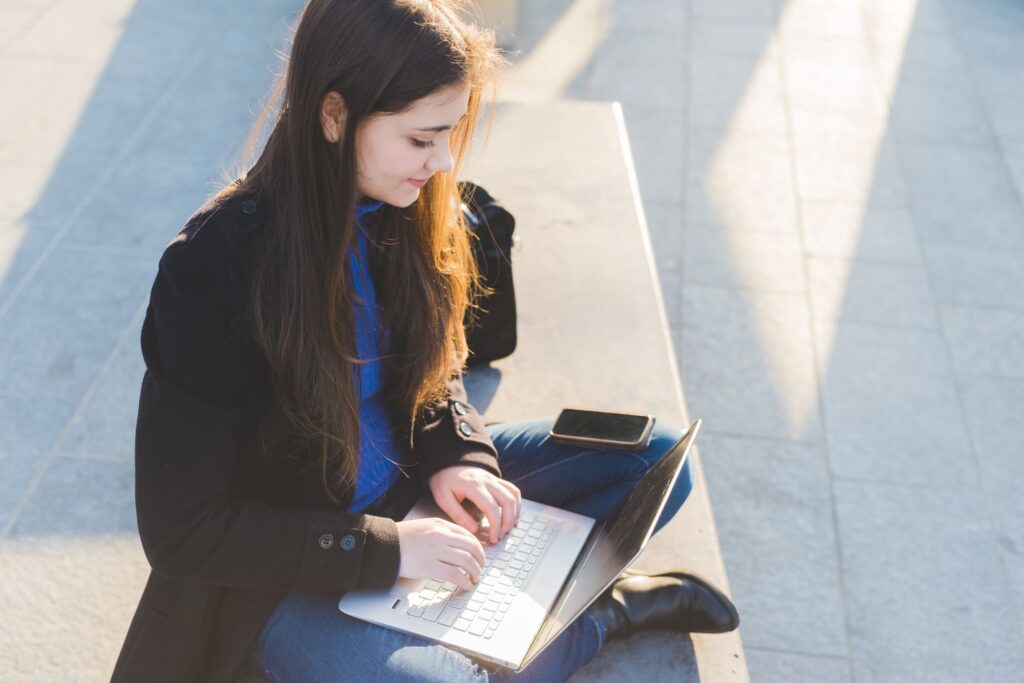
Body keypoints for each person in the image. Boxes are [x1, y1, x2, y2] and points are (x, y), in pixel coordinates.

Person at [111, 1, 738, 681]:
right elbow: (184, 529)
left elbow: (435, 364)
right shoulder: (215, 269)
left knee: (654, 461)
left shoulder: (402, 202)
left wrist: (459, 453)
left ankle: (522, 614)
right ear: (333, 116)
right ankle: (595, 616)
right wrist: (389, 548)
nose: (442, 162)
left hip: (416, 484)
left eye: (450, 133)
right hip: (294, 564)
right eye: (421, 138)